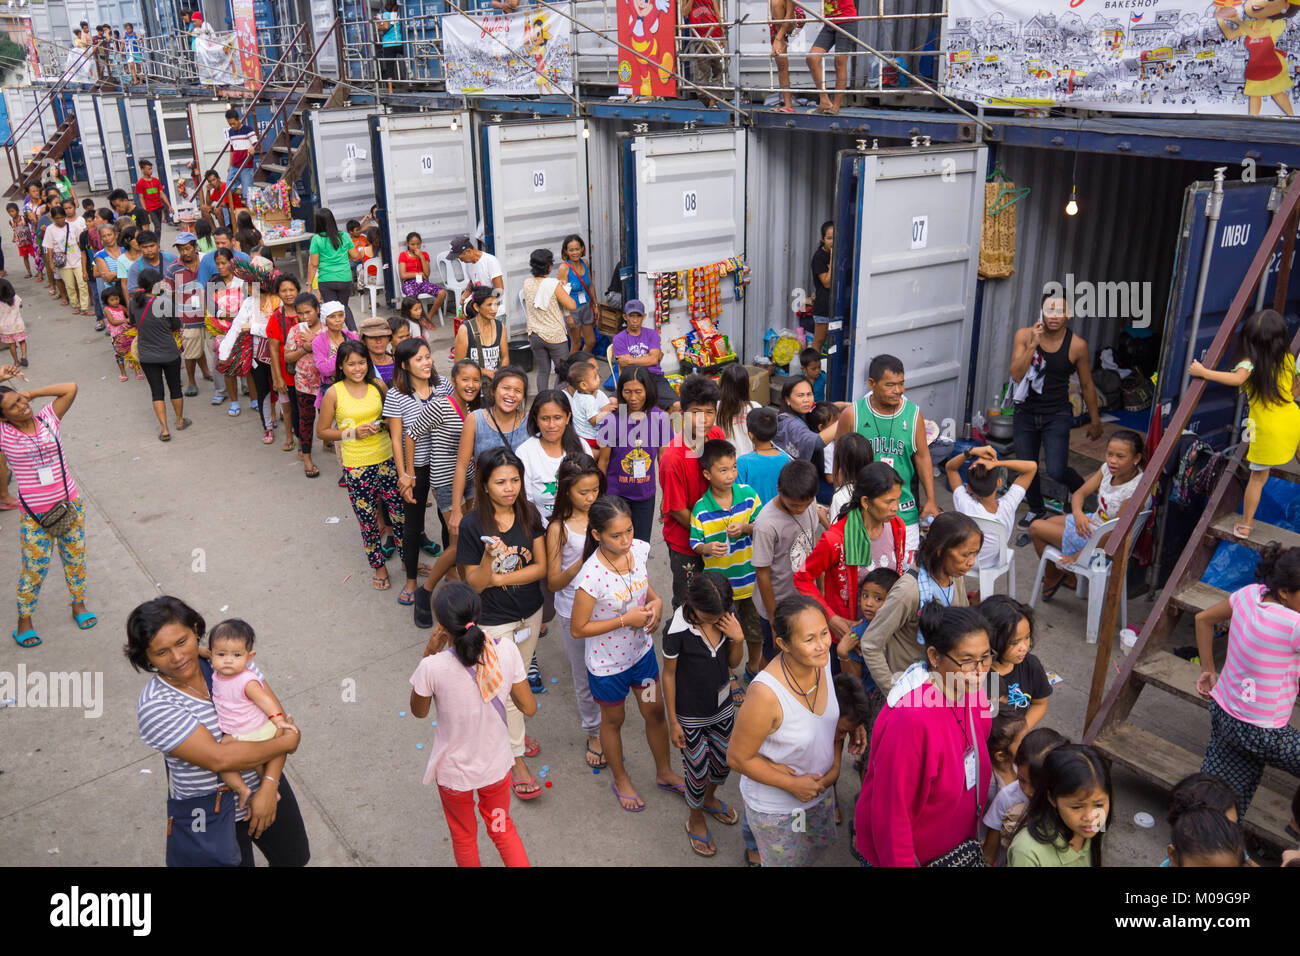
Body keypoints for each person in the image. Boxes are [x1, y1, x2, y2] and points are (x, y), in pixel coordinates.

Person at [126, 596, 307, 866]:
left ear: (196, 630)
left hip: (270, 783)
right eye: (161, 652)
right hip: (213, 814)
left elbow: (273, 724)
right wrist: (288, 742)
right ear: (146, 657)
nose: (178, 658)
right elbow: (221, 759)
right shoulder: (156, 706)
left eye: (182, 642)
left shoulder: (229, 658)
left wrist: (269, 786)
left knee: (294, 858)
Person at [854, 603, 993, 867]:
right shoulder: (911, 720)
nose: (979, 670)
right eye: (967, 660)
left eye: (985, 658)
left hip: (957, 845)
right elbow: (891, 812)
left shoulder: (975, 693)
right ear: (934, 655)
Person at [408, 581, 534, 867]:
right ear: (478, 613)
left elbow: (418, 711)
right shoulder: (506, 651)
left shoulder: (432, 667)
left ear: (441, 624)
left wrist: (429, 651)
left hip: (455, 777)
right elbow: (529, 707)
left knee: (464, 838)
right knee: (502, 831)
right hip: (496, 768)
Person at [569, 495, 678, 811]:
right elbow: (578, 629)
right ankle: (621, 779)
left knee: (654, 712)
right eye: (616, 535)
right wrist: (622, 620)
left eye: (629, 530)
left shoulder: (639, 550)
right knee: (613, 721)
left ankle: (665, 772)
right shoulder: (591, 577)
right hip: (608, 669)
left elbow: (645, 589)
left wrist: (656, 603)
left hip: (641, 658)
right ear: (596, 536)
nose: (626, 540)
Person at [454, 445, 548, 800]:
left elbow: (542, 569)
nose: (510, 488)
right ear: (485, 485)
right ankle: (516, 758)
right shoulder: (472, 525)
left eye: (515, 480)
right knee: (507, 688)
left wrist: (496, 579)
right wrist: (487, 560)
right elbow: (473, 584)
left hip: (529, 613)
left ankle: (513, 732)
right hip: (492, 622)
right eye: (500, 482)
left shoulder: (529, 513)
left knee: (516, 682)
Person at [729, 595, 845, 866]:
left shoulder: (822, 661)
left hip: (818, 792)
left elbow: (824, 722)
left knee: (810, 853)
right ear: (783, 644)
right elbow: (736, 758)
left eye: (824, 633)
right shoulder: (765, 694)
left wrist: (838, 756)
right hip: (780, 810)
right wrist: (793, 784)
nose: (821, 645)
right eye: (809, 639)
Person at [1194, 542, 1300, 818]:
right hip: (1263, 732)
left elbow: (1203, 619)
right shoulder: (1294, 625)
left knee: (1219, 801)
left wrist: (1208, 669)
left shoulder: (1249, 594)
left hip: (1224, 713)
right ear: (1285, 592)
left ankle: (1200, 840)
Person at [1189, 309, 1300, 538]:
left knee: (1258, 478)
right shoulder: (1287, 358)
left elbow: (1237, 379)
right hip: (1291, 417)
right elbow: (1296, 386)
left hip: (1265, 426)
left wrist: (1204, 372)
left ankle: (1246, 525)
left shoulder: (1251, 362)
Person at [0, 378, 93, 648]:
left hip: (69, 506)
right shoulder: (4, 434)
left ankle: (78, 604)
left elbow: (71, 387)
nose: (21, 407)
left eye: (20, 400)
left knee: (75, 558)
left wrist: (30, 393)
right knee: (34, 569)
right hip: (35, 516)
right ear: (3, 417)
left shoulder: (47, 418)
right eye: (13, 407)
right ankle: (24, 620)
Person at [664, 571, 746, 857]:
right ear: (691, 603)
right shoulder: (676, 629)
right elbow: (669, 675)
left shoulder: (726, 617)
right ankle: (695, 817)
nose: (715, 620)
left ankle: (709, 799)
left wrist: (738, 638)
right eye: (708, 615)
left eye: (719, 614)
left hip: (722, 710)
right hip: (690, 716)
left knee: (724, 762)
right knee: (697, 770)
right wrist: (673, 721)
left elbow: (732, 665)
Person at [858, 510, 981, 695]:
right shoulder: (908, 591)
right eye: (965, 555)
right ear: (940, 550)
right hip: (913, 689)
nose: (971, 562)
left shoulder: (955, 576)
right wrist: (895, 691)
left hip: (943, 684)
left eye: (974, 554)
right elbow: (870, 644)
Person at [1009, 291, 1104, 527]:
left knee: (1057, 469)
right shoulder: (1024, 335)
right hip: (1025, 413)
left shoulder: (1077, 345)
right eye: (1049, 310)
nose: (1054, 316)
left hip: (1057, 414)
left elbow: (1086, 384)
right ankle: (1036, 509)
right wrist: (1032, 346)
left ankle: (1081, 497)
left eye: (1060, 311)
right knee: (1026, 466)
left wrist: (1095, 421)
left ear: (1068, 315)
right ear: (1042, 311)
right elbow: (1016, 374)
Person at [317, 340, 406, 588]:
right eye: (351, 364)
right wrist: (353, 433)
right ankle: (378, 568)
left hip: (388, 459)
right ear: (342, 366)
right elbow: (322, 432)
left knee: (399, 515)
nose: (357, 368)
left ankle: (407, 562)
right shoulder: (334, 393)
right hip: (357, 466)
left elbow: (394, 415)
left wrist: (385, 424)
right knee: (368, 520)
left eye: (362, 362)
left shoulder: (378, 385)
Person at [796, 461, 909, 648]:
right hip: (847, 638)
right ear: (866, 502)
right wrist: (830, 618)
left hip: (885, 634)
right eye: (889, 501)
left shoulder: (898, 527)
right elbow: (802, 578)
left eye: (897, 499)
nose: (895, 507)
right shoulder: (835, 541)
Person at [835, 354, 938, 558]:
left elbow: (923, 458)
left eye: (901, 384)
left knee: (903, 576)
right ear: (872, 384)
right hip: (863, 514)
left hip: (904, 512)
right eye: (890, 385)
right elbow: (840, 461)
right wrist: (840, 501)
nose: (898, 391)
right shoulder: (852, 415)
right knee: (864, 574)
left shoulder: (913, 414)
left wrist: (931, 500)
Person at [407, 359, 483, 628]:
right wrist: (409, 473)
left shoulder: (473, 407)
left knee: (469, 538)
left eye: (475, 380)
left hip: (471, 479)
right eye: (465, 379)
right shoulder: (441, 405)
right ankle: (425, 591)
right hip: (446, 481)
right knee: (459, 542)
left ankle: (462, 592)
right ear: (454, 381)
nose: (470, 385)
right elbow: (411, 433)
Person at [1030, 429, 1144, 600]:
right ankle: (1063, 576)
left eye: (1120, 457)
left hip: (1102, 543)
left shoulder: (1134, 490)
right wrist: (1078, 514)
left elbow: (1114, 533)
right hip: (1094, 523)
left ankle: (1055, 576)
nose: (1112, 461)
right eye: (1110, 454)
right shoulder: (1107, 469)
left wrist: (1081, 554)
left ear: (1136, 458)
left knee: (1036, 527)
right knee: (1051, 521)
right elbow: (1079, 494)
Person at [546, 455, 607, 768]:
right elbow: (554, 581)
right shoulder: (558, 528)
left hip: (609, 605)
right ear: (566, 491)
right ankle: (594, 730)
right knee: (583, 674)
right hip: (574, 611)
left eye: (595, 490)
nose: (591, 497)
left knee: (608, 667)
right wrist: (582, 562)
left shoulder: (604, 515)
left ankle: (610, 718)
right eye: (583, 492)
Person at [691, 438, 764, 680]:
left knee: (756, 633)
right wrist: (707, 547)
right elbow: (695, 544)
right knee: (724, 635)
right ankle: (728, 675)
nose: (731, 474)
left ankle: (754, 668)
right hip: (722, 589)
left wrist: (745, 527)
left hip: (751, 583)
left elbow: (762, 526)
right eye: (723, 470)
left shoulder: (747, 494)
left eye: (733, 467)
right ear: (707, 473)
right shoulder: (701, 508)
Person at [204, 619, 296, 805]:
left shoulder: (247, 680)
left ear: (249, 657)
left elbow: (265, 700)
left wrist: (278, 720)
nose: (228, 660)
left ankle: (242, 789)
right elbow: (205, 652)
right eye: (221, 654)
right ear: (211, 654)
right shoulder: (219, 672)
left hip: (252, 732)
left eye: (237, 655)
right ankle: (270, 790)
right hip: (249, 730)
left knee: (222, 758)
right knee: (262, 767)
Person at [660, 374, 725, 621]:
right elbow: (676, 509)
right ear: (682, 411)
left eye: (709, 412)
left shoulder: (716, 435)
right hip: (685, 543)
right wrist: (707, 532)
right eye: (696, 412)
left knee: (714, 595)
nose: (703, 420)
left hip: (714, 533)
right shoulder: (672, 457)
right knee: (687, 600)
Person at [387, 339, 445, 604]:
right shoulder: (396, 394)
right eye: (419, 359)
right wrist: (404, 475)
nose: (426, 362)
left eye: (428, 356)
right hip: (416, 467)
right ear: (404, 364)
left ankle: (452, 570)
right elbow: (396, 438)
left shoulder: (444, 385)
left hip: (445, 462)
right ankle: (411, 580)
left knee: (449, 520)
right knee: (412, 525)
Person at [753, 459, 822, 665]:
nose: (800, 509)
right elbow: (762, 574)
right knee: (773, 654)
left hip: (804, 596)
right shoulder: (766, 524)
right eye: (794, 505)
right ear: (779, 490)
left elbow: (813, 541)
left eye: (806, 504)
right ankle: (759, 685)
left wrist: (821, 594)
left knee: (798, 652)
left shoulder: (808, 502)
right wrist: (774, 620)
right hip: (776, 605)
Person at [448, 366, 530, 537]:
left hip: (523, 501)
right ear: (493, 391)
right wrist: (456, 509)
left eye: (517, 391)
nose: (511, 395)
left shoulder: (530, 421)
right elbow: (462, 466)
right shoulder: (476, 419)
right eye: (506, 388)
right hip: (485, 503)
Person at [600, 365, 673, 542]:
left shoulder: (660, 418)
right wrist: (599, 499)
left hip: (645, 495)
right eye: (627, 392)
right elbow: (603, 461)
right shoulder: (612, 420)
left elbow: (664, 461)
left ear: (648, 390)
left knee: (640, 546)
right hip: (615, 494)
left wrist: (667, 497)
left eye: (638, 392)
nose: (633, 398)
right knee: (615, 545)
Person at [1008, 744, 1111, 867]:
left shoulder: (1097, 824)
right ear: (1052, 798)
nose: (1090, 817)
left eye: (1099, 804)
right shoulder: (1027, 853)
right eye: (1076, 807)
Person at [945, 445, 1036, 584]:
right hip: (994, 562)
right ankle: (980, 595)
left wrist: (971, 452)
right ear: (999, 483)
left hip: (964, 561)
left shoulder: (965, 505)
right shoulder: (1009, 504)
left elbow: (950, 468)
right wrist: (998, 463)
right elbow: (1032, 467)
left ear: (968, 488)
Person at [988, 726, 1067, 864]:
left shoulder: (1069, 803)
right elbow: (989, 854)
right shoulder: (1007, 797)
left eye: (1037, 785)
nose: (1027, 791)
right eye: (1021, 780)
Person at [132, 268, 190, 442]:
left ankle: (164, 429)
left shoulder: (133, 303)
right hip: (169, 353)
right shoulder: (165, 303)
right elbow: (175, 325)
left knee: (156, 392)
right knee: (175, 388)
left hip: (147, 355)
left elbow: (133, 324)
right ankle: (180, 421)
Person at [517, 389, 590, 523]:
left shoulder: (582, 446)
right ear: (536, 419)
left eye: (557, 418)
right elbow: (527, 501)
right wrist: (548, 530)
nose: (551, 425)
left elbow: (590, 491)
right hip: (539, 526)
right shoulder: (525, 452)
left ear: (568, 417)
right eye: (545, 418)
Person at [980, 594, 1052, 729]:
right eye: (1014, 642)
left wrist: (1019, 734)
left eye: (1027, 637)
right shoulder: (978, 676)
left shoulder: (1032, 665)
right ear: (990, 640)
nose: (1024, 647)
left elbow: (1040, 703)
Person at [523, 248, 578, 393]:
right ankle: (558, 402)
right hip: (555, 337)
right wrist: (562, 288)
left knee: (543, 371)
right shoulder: (553, 285)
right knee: (562, 372)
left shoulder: (527, 283)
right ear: (549, 266)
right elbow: (571, 305)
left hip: (535, 335)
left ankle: (542, 402)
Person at [610, 300, 678, 412]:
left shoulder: (652, 334)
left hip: (654, 377)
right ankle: (624, 428)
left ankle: (667, 429)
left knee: (677, 405)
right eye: (631, 316)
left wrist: (630, 360)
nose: (635, 320)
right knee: (613, 402)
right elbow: (625, 363)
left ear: (644, 317)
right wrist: (648, 357)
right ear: (625, 317)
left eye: (638, 316)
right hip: (631, 379)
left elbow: (654, 359)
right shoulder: (619, 338)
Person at [285, 290, 324, 478]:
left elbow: (336, 353)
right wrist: (305, 348)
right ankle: (307, 456)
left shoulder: (327, 329)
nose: (304, 317)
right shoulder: (295, 331)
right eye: (300, 313)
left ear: (317, 309)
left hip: (326, 384)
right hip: (304, 384)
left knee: (328, 418)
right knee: (306, 420)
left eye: (308, 312)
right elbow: (287, 356)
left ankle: (327, 442)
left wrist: (316, 343)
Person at [979, 712, 1027, 864]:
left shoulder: (1019, 766)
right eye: (1022, 742)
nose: (1028, 744)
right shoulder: (990, 786)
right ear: (1000, 755)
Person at [264, 273, 302, 449]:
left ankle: (316, 440)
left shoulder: (306, 312)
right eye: (283, 290)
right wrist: (277, 378)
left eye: (291, 289)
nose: (288, 294)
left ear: (298, 290)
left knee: (307, 407)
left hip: (307, 370)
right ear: (278, 293)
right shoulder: (276, 318)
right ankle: (290, 437)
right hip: (286, 371)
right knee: (287, 406)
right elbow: (272, 350)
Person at [307, 209, 361, 331]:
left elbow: (313, 264)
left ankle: (333, 339)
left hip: (327, 280)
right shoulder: (344, 236)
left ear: (318, 222)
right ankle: (354, 332)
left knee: (331, 311)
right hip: (345, 279)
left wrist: (309, 284)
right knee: (344, 307)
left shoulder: (316, 239)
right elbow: (356, 256)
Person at [775, 377, 835, 482]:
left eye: (809, 394)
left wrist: (842, 405)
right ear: (787, 399)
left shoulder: (804, 412)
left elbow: (817, 407)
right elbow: (817, 442)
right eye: (800, 395)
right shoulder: (788, 422)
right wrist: (844, 418)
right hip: (795, 482)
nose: (806, 399)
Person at [737, 407, 792, 508]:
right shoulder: (785, 458)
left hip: (753, 519)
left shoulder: (742, 462)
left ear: (750, 435)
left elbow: (737, 495)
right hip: (779, 514)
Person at [453, 285, 509, 382]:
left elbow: (505, 357)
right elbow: (459, 365)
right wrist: (486, 372)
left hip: (494, 383)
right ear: (476, 307)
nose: (494, 309)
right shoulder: (465, 329)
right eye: (489, 305)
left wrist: (499, 373)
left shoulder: (501, 327)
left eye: (496, 304)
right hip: (472, 385)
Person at [807, 0, 855, 113]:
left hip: (846, 20)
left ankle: (836, 106)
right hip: (829, 22)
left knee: (840, 62)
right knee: (812, 58)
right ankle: (824, 101)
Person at [43, 204, 88, 314]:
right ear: (53, 218)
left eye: (62, 217)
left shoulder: (73, 226)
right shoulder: (50, 230)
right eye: (57, 218)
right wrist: (51, 263)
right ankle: (75, 305)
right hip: (63, 262)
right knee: (70, 285)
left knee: (82, 284)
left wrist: (83, 257)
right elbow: (49, 248)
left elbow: (79, 243)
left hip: (77, 259)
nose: (60, 220)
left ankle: (85, 307)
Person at [566, 360, 615, 453]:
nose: (599, 379)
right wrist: (608, 413)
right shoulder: (588, 400)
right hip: (590, 438)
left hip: (579, 434)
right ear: (584, 385)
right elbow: (593, 421)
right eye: (595, 377)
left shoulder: (578, 393)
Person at [557, 234, 595, 353]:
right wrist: (568, 316)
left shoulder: (585, 263)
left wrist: (595, 305)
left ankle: (580, 365)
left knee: (591, 341)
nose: (575, 253)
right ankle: (569, 370)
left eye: (577, 249)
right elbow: (561, 294)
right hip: (573, 310)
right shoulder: (564, 268)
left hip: (586, 306)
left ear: (582, 249)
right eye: (571, 250)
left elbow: (590, 285)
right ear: (566, 251)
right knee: (576, 343)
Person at [449, 235, 505, 317]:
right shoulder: (469, 264)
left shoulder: (490, 261)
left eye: (460, 257)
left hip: (495, 306)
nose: (460, 260)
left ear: (468, 251)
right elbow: (472, 282)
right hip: (480, 304)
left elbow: (499, 290)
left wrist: (486, 305)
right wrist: (465, 295)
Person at [716, 364, 762, 458]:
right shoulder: (756, 408)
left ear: (722, 385)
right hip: (750, 462)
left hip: (725, 465)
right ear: (746, 386)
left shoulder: (714, 409)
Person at [769, 0, 806, 112]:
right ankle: (788, 104)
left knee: (776, 2)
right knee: (781, 65)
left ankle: (781, 40)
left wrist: (778, 38)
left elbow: (789, 15)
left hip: (794, 19)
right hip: (777, 23)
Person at [827, 431, 873, 520]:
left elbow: (837, 533)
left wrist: (822, 517)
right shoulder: (876, 489)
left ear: (841, 463)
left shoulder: (840, 496)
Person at [807, 222, 834, 348]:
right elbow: (827, 283)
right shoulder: (819, 257)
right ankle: (813, 368)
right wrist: (833, 259)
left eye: (835, 238)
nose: (832, 241)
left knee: (835, 344)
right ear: (822, 239)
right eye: (829, 238)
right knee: (819, 342)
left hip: (837, 307)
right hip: (823, 307)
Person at [223, 108, 258, 202]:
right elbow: (232, 149)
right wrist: (230, 165)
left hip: (246, 166)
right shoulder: (230, 132)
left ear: (238, 119)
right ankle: (245, 192)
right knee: (229, 188)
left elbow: (256, 144)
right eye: (230, 124)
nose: (232, 126)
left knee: (248, 195)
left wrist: (252, 148)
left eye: (233, 123)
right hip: (235, 166)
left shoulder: (248, 130)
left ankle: (247, 197)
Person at [126, 230, 176, 294]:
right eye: (145, 247)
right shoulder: (136, 267)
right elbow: (132, 292)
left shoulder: (172, 259)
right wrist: (156, 288)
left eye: (152, 246)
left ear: (158, 244)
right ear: (139, 247)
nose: (149, 250)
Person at [133, 159, 171, 235]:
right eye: (149, 169)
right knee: (157, 227)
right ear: (143, 170)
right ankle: (155, 242)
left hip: (159, 207)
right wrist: (145, 212)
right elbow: (141, 198)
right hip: (150, 209)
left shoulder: (156, 181)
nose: (151, 171)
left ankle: (157, 244)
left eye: (151, 169)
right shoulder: (140, 183)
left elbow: (162, 193)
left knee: (159, 228)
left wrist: (169, 206)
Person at [103, 284, 131, 380]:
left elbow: (128, 312)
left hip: (126, 333)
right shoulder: (107, 310)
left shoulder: (121, 306)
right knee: (119, 354)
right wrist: (125, 320)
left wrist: (130, 317)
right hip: (116, 336)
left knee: (131, 350)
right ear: (106, 301)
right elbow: (113, 322)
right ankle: (123, 373)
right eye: (112, 300)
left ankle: (137, 370)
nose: (115, 301)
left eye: (117, 299)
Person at [357, 316, 395, 385]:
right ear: (363, 340)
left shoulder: (399, 362)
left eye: (383, 336)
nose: (378, 341)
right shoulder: (360, 367)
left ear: (389, 338)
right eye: (372, 337)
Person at [376, 0, 404, 90]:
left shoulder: (384, 15)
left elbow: (383, 27)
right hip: (399, 42)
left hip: (388, 44)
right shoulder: (398, 15)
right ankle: (412, 80)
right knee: (409, 59)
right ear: (395, 6)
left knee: (389, 67)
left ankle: (391, 89)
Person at [0, 280, 27, 369]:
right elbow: (20, 305)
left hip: (5, 328)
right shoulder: (16, 298)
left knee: (12, 344)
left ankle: (16, 362)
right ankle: (24, 356)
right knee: (22, 341)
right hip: (17, 325)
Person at [8, 202, 35, 278]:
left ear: (17, 210)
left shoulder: (24, 218)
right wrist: (14, 237)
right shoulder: (11, 221)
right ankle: (28, 272)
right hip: (20, 243)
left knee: (34, 255)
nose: (11, 213)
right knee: (25, 257)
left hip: (29, 241)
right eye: (9, 212)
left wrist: (33, 229)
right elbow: (15, 230)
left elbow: (31, 223)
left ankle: (39, 270)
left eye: (12, 211)